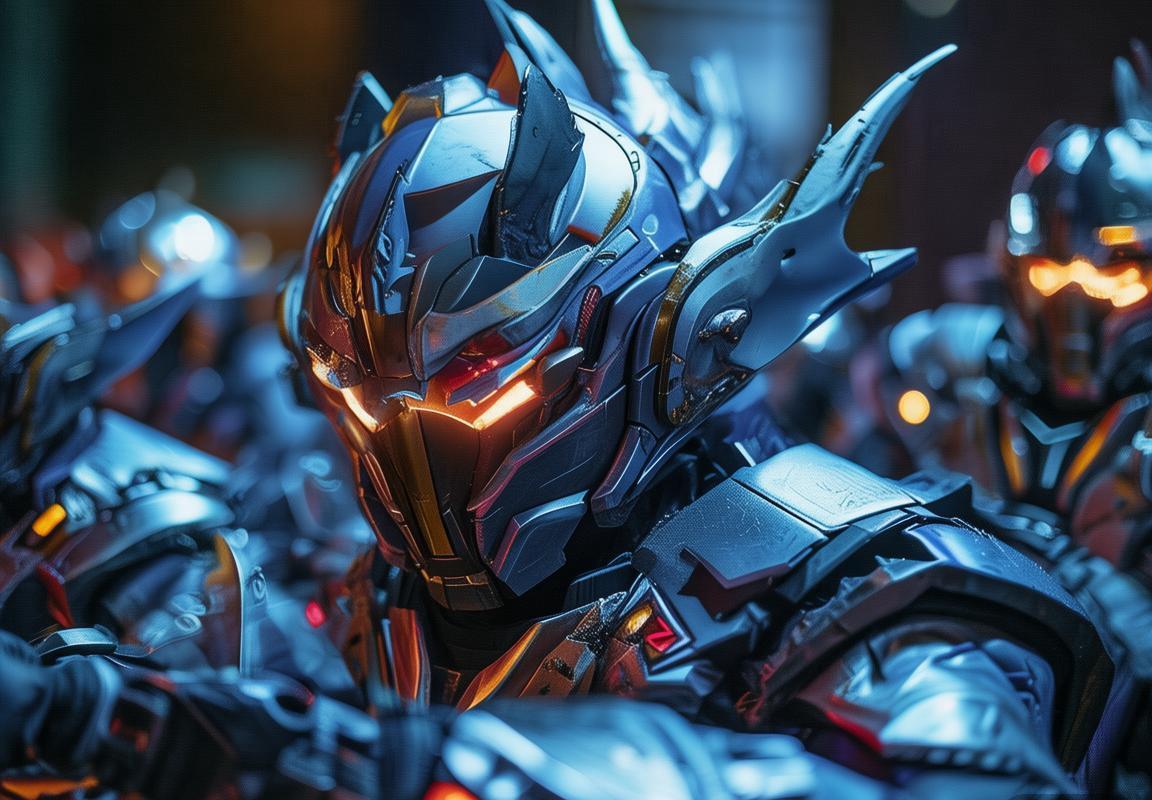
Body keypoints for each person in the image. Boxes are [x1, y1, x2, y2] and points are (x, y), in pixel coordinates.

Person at [0, 2, 1118, 798]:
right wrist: (87, 703)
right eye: (362, 401)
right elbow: (228, 685)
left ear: (643, 342)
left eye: (472, 387)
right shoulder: (371, 587)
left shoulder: (872, 586)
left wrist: (370, 764)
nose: (407, 442)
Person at [865, 41, 1152, 794]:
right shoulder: (940, 361)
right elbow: (842, 501)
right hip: (931, 677)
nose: (1078, 299)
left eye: (1115, 279)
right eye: (1053, 273)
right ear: (1014, 262)